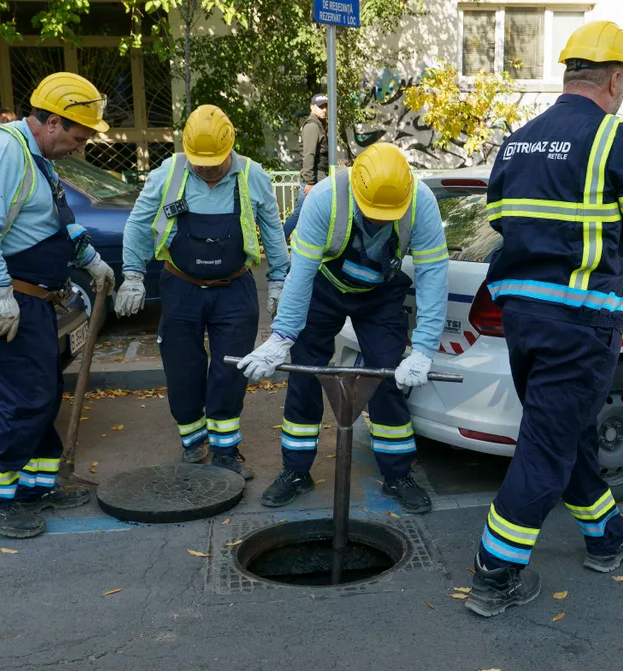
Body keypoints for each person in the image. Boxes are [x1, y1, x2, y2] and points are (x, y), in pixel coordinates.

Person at [463, 20, 623, 617]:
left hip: (521, 317)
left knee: (566, 430)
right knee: (546, 444)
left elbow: (505, 222)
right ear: (615, 79)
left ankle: (606, 537)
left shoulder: (520, 140)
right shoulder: (620, 137)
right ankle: (495, 574)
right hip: (581, 321)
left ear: (570, 74)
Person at [0, 73, 115, 538]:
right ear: (53, 122)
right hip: (1, 302)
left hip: (31, 300)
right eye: (78, 137)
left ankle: (35, 486)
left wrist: (92, 260)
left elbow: (55, 221)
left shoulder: (36, 157)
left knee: (42, 395)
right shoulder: (2, 151)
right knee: (27, 399)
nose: (80, 148)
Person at [238, 142, 449, 514]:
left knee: (387, 376)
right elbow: (300, 272)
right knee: (305, 374)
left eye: (389, 215)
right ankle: (295, 471)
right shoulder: (324, 199)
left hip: (381, 294)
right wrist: (281, 337)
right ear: (356, 188)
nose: (382, 220)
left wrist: (424, 350)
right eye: (375, 214)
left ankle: (398, 474)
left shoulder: (421, 202)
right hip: (324, 289)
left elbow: (433, 275)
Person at [113, 105, 288, 476]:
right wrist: (131, 274)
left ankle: (226, 452)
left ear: (230, 149)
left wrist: (278, 281)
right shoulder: (168, 173)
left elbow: (272, 228)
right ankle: (193, 442)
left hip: (234, 290)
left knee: (230, 371)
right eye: (199, 162)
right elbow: (139, 223)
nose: (206, 169)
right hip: (181, 287)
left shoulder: (252, 176)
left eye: (214, 162)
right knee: (183, 369)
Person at [283, 94, 329, 240]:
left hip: (317, 178)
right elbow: (309, 155)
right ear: (312, 107)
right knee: (300, 213)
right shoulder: (312, 126)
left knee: (308, 214)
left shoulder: (317, 124)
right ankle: (277, 243)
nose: (324, 110)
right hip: (314, 179)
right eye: (321, 106)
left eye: (326, 106)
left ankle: (278, 242)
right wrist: (309, 182)